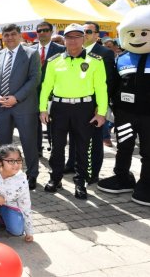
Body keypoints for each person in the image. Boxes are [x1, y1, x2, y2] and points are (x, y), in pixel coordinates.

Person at [40, 23, 108, 200]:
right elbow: (46, 86)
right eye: (69, 37)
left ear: (84, 39)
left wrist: (101, 113)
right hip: (59, 108)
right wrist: (42, 109)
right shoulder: (54, 60)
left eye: (77, 36)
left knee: (82, 148)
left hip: (84, 109)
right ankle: (56, 179)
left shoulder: (95, 60)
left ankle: (80, 182)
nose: (73, 40)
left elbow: (101, 88)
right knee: (57, 148)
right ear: (64, 39)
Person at [98, 6, 150, 206]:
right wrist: (112, 106)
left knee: (149, 150)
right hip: (125, 114)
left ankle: (148, 183)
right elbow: (114, 85)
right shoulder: (122, 58)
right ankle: (122, 177)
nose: (138, 38)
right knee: (124, 146)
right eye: (133, 33)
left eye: (144, 33)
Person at [0, 24, 41, 189]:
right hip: (2, 106)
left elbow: (34, 79)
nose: (9, 37)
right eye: (6, 35)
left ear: (19, 35)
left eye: (13, 34)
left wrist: (16, 98)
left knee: (28, 142)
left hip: (24, 107)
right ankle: (5, 172)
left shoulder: (31, 53)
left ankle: (32, 175)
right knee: (4, 143)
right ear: (2, 38)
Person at [65, 22, 115, 184]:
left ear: (96, 35)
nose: (84, 34)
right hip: (73, 106)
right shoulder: (70, 52)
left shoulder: (104, 53)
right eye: (82, 31)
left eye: (88, 31)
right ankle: (73, 164)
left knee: (94, 140)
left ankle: (93, 173)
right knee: (74, 137)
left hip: (93, 106)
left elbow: (106, 83)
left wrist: (100, 108)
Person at [0, 145, 34, 242]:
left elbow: (25, 204)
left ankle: (3, 218)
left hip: (9, 205)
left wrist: (29, 231)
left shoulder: (21, 178)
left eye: (18, 160)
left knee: (18, 231)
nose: (16, 164)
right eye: (10, 161)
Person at [31, 22, 65, 156]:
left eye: (45, 30)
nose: (42, 33)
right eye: (40, 31)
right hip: (33, 93)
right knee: (34, 123)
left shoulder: (62, 50)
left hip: (52, 93)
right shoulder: (30, 50)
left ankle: (54, 150)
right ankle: (37, 149)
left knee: (53, 124)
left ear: (51, 32)